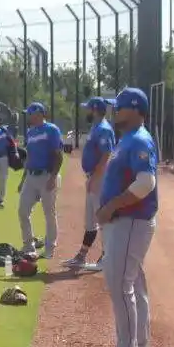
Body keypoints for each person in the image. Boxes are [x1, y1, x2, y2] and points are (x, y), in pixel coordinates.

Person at [95, 88, 158, 347]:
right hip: (126, 223)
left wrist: (111, 206)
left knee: (121, 286)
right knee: (133, 287)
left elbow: (146, 182)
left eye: (118, 106)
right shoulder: (128, 139)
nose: (114, 110)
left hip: (131, 221)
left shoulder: (140, 139)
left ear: (133, 108)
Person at [63, 97, 115, 271]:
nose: (86, 112)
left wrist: (94, 179)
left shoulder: (104, 128)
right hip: (94, 177)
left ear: (94, 110)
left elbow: (106, 155)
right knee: (91, 220)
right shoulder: (96, 127)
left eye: (88, 109)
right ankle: (82, 256)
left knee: (102, 219)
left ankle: (107, 257)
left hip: (100, 178)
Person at [17, 102, 64, 258]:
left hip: (47, 175)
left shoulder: (51, 129)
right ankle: (28, 246)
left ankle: (50, 247)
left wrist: (52, 177)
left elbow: (58, 155)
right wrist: (23, 179)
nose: (28, 117)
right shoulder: (30, 132)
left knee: (49, 213)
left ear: (37, 113)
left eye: (29, 114)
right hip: (31, 176)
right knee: (23, 211)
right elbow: (29, 157)